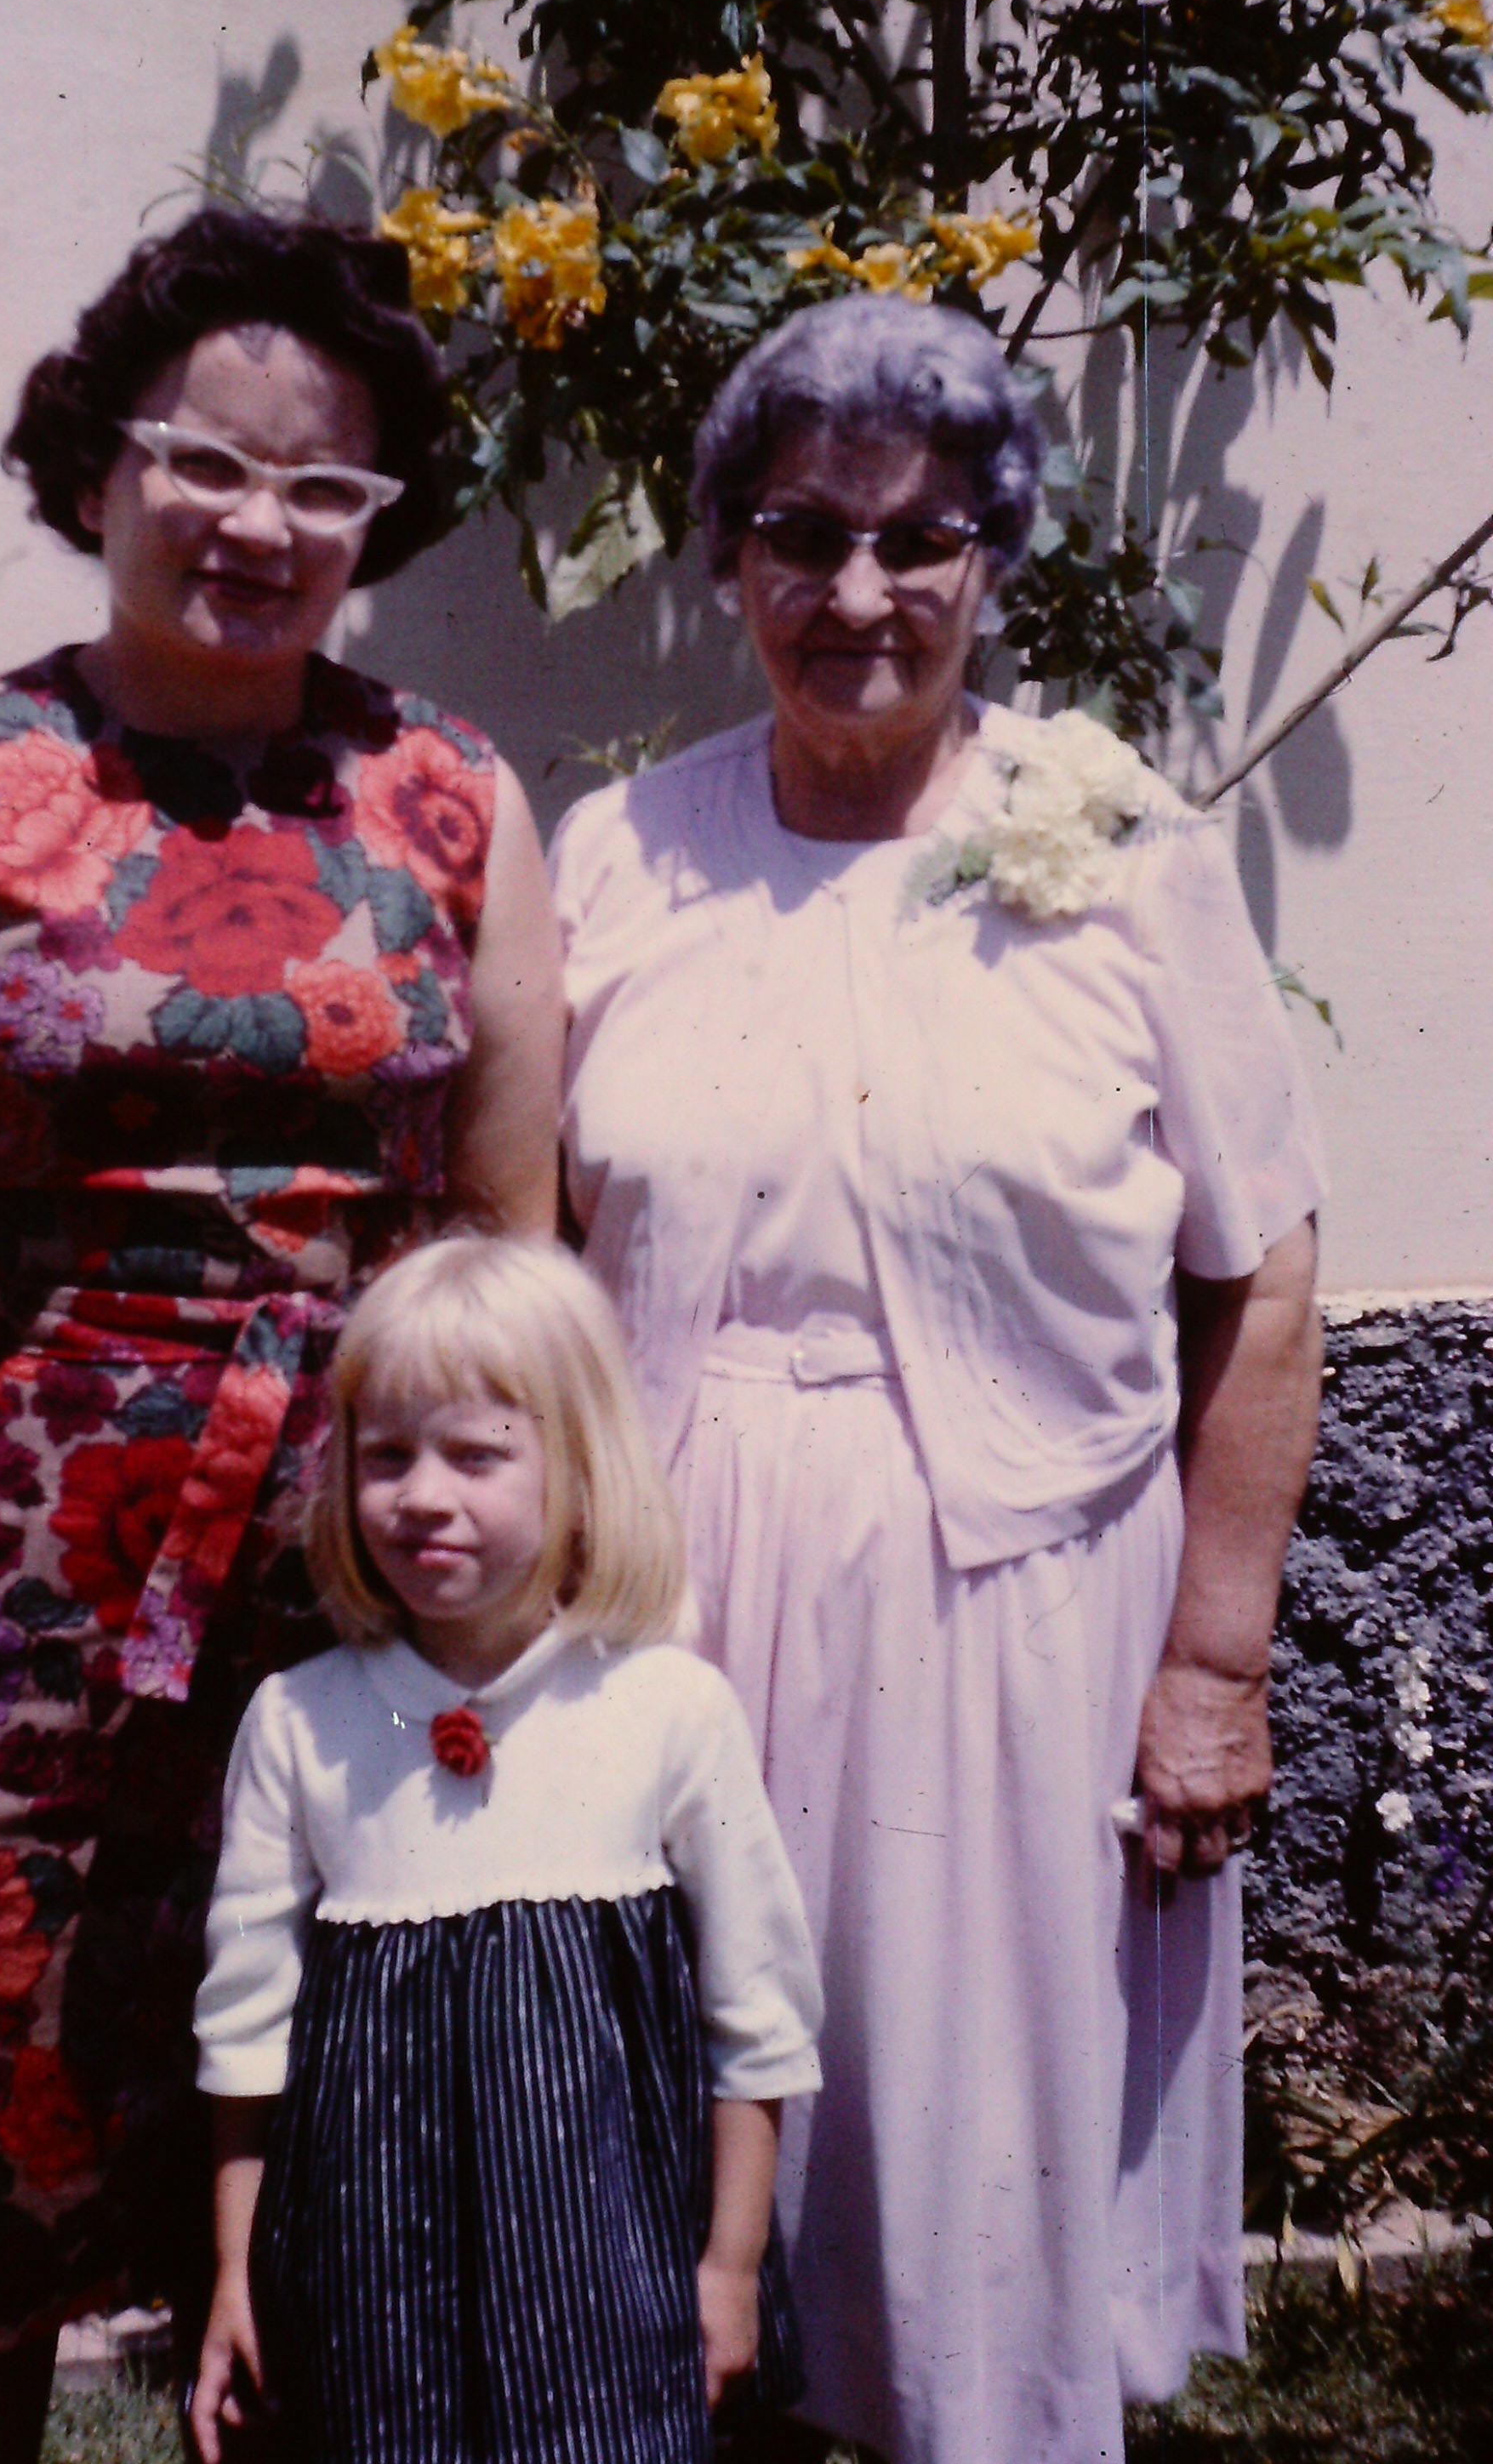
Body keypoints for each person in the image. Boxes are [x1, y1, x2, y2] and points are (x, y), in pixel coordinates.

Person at [0, 205, 564, 2464]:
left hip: (366, 1584)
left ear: (376, 521)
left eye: (322, 485)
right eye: (204, 461)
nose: (258, 524)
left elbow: (507, 1238)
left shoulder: (452, 805)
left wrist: (530, 1606)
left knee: (348, 2202)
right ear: (99, 466)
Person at [550, 293, 1326, 2464]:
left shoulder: (1122, 852)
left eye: (919, 539)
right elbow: (518, 1256)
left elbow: (1262, 1275)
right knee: (667, 2162)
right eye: (802, 533)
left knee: (965, 2185)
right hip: (673, 1598)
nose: (858, 592)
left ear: (995, 558)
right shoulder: (617, 857)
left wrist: (1217, 1663)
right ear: (729, 553)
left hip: (1012, 1608)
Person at [189, 1232, 823, 2464]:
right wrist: (233, 2271)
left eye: (477, 1455)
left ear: (579, 1473)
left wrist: (732, 2264)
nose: (424, 1495)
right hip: (371, 2278)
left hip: (611, 2277)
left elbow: (759, 2020)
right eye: (387, 1456)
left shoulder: (665, 1710)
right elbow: (245, 2033)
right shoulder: (302, 1723)